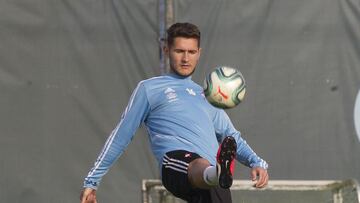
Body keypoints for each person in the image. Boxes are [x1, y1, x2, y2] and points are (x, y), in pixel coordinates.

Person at [80, 22, 269, 203]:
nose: (185, 58)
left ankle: (217, 172)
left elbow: (232, 137)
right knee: (199, 164)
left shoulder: (208, 95)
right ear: (166, 51)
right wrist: (92, 180)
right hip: (176, 164)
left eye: (191, 52)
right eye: (179, 51)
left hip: (216, 183)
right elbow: (121, 135)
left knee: (214, 175)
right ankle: (215, 172)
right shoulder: (150, 88)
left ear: (199, 53)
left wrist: (256, 162)